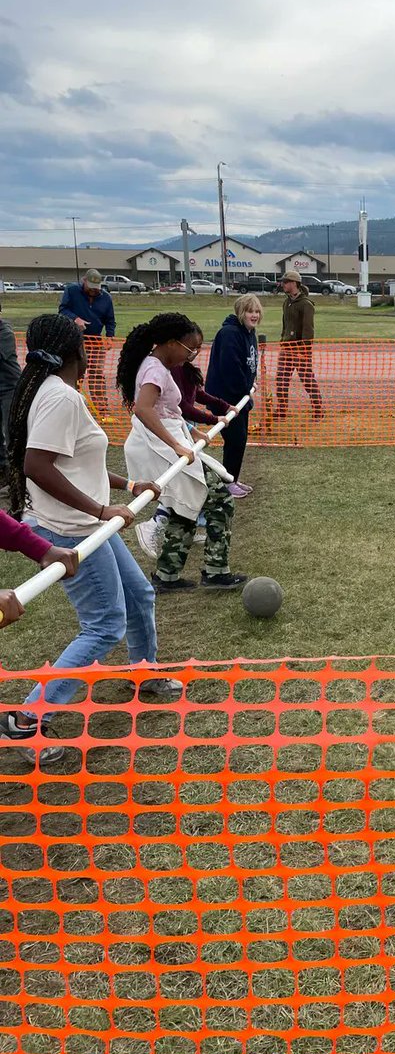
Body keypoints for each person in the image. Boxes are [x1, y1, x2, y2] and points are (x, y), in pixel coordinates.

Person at [1, 314, 179, 762]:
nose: (89, 353)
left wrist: (125, 487)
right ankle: (27, 721)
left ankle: (145, 673)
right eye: (84, 344)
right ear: (72, 351)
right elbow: (36, 466)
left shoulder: (57, 393)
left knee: (139, 595)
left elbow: (77, 460)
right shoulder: (59, 397)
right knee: (104, 623)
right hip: (68, 528)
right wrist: (101, 510)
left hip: (87, 523)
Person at [117, 313, 247, 593]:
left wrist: (191, 431)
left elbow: (168, 410)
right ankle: (215, 571)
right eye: (190, 349)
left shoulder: (158, 366)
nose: (192, 356)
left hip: (173, 442)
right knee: (220, 499)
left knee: (184, 508)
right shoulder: (154, 369)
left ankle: (167, 575)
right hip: (162, 448)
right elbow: (144, 410)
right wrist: (176, 445)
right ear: (171, 342)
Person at [205, 294, 260, 497]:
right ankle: (227, 482)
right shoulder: (229, 333)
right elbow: (231, 368)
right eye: (249, 311)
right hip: (225, 397)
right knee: (235, 439)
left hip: (240, 397)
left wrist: (249, 387)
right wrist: (245, 390)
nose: (254, 315)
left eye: (256, 311)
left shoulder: (250, 333)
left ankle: (232, 478)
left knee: (240, 439)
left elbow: (249, 364)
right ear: (240, 312)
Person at [59, 268, 116, 418]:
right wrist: (75, 319)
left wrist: (110, 337)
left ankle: (101, 409)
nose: (93, 291)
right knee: (75, 373)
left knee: (96, 374)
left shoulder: (106, 298)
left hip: (95, 341)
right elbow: (62, 309)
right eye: (90, 287)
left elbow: (110, 320)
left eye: (96, 288)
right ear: (84, 281)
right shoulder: (71, 291)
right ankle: (71, 407)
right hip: (74, 339)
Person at [274, 271, 323, 420]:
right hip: (286, 348)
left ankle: (318, 410)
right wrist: (283, 339)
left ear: (294, 283)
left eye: (286, 282)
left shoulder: (306, 304)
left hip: (300, 349)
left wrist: (304, 351)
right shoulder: (286, 302)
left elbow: (309, 330)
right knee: (281, 380)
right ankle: (282, 410)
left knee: (307, 380)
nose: (283, 284)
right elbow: (285, 324)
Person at [0, 296, 21, 489]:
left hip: (10, 390)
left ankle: (15, 476)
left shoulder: (4, 332)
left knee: (11, 433)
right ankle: (2, 472)